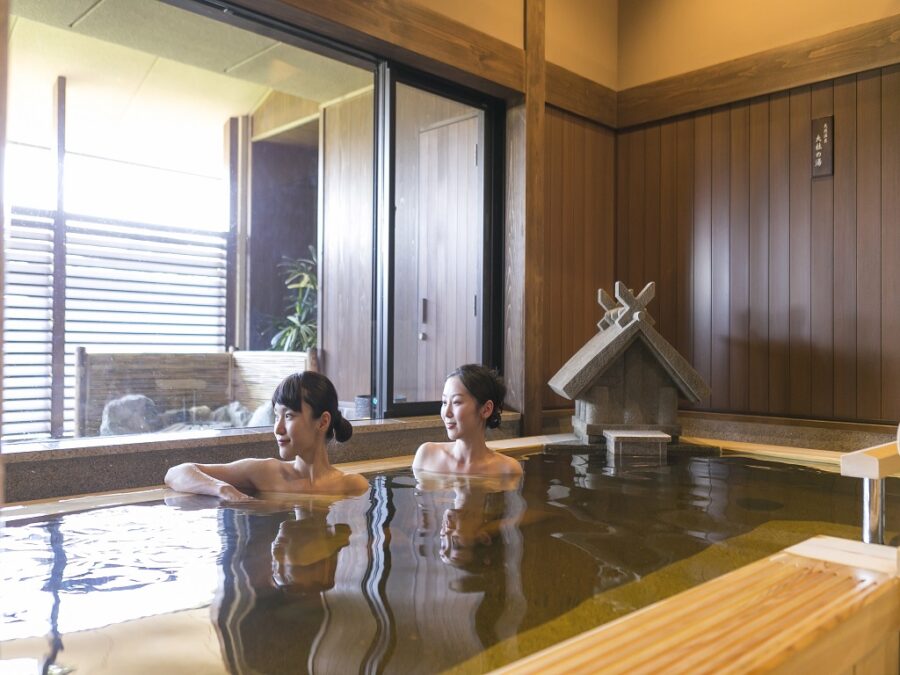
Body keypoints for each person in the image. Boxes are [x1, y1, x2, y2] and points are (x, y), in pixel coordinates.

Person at [165, 371, 369, 499]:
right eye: (276, 416)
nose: (278, 429)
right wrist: (222, 489)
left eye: (288, 416)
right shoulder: (266, 473)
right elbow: (176, 473)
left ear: (323, 422)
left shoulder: (351, 486)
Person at [412, 364, 523, 477]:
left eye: (456, 402)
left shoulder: (508, 470)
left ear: (486, 409)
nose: (446, 413)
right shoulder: (427, 457)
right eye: (444, 402)